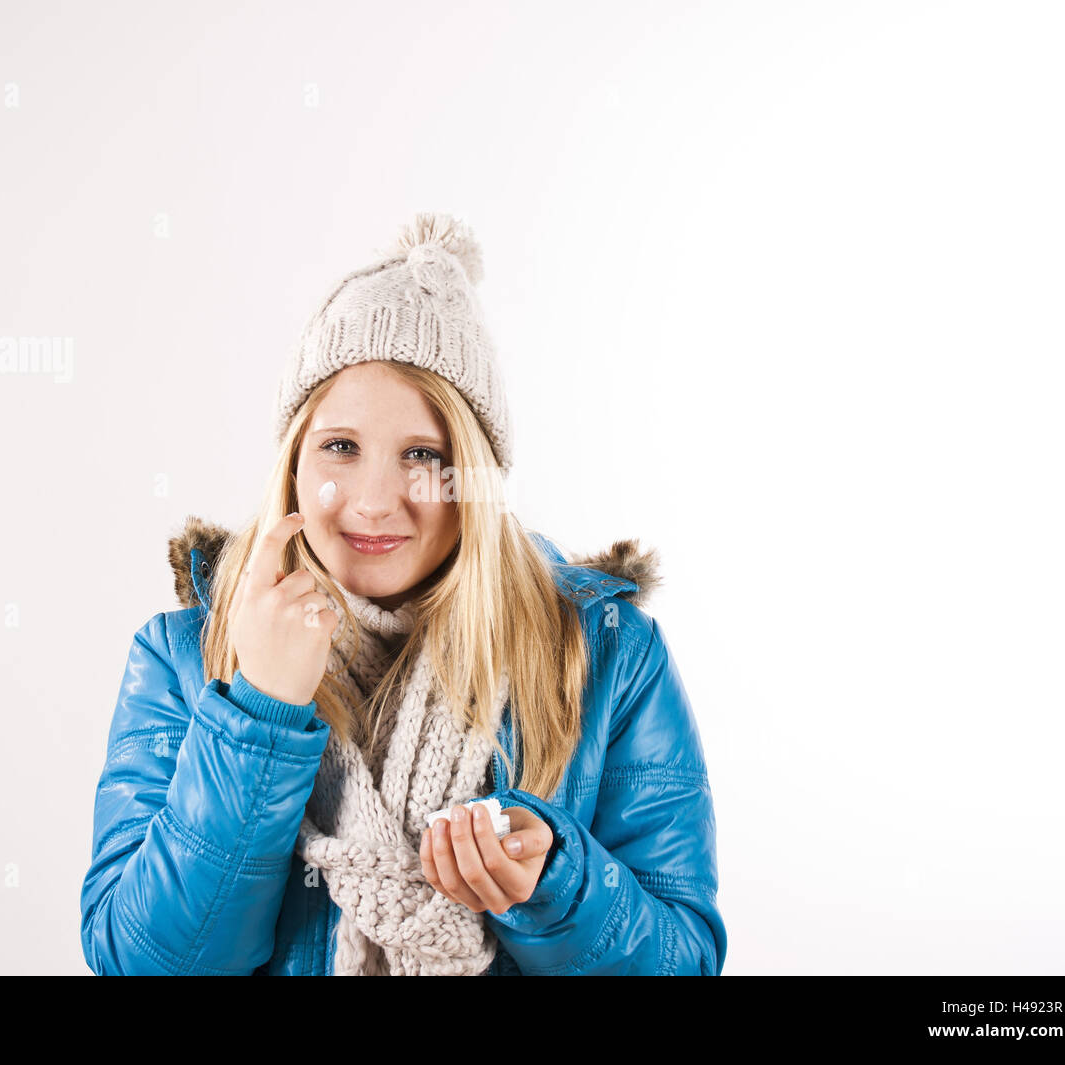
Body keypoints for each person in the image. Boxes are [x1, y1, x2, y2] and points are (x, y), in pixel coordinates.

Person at [79, 212, 728, 975]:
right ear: (293, 458)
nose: (376, 501)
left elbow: (683, 961)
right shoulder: (187, 654)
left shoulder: (607, 655)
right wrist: (258, 710)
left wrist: (559, 885)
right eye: (341, 447)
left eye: (424, 454)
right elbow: (143, 961)